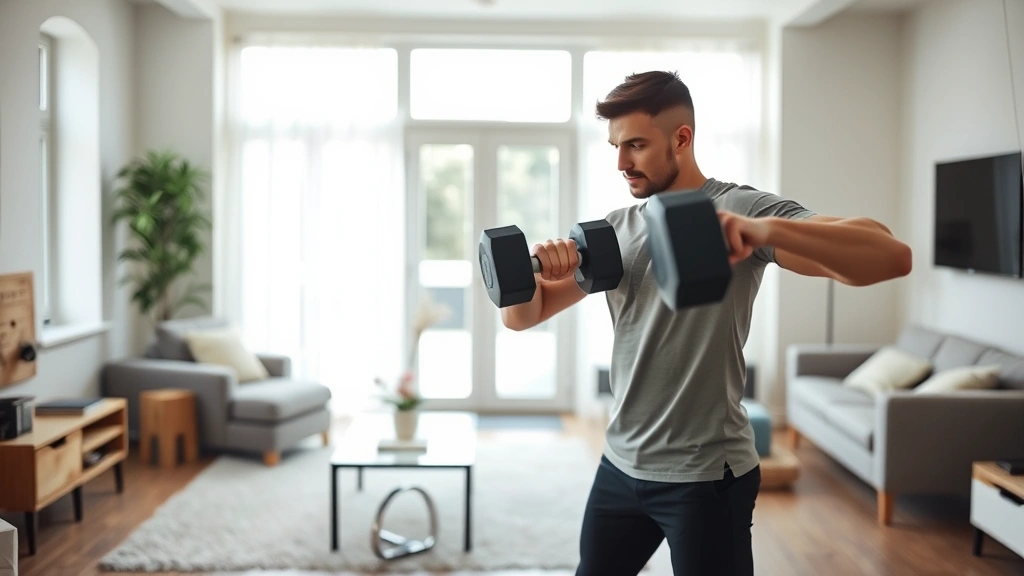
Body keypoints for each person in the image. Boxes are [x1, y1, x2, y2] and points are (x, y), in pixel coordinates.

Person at [499, 70, 912, 576]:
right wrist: (533, 272)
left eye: (635, 145)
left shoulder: (740, 209)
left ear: (682, 138)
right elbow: (525, 317)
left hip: (706, 476)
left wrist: (761, 230)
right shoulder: (616, 229)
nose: (621, 163)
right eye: (615, 147)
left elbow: (890, 255)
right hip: (621, 462)